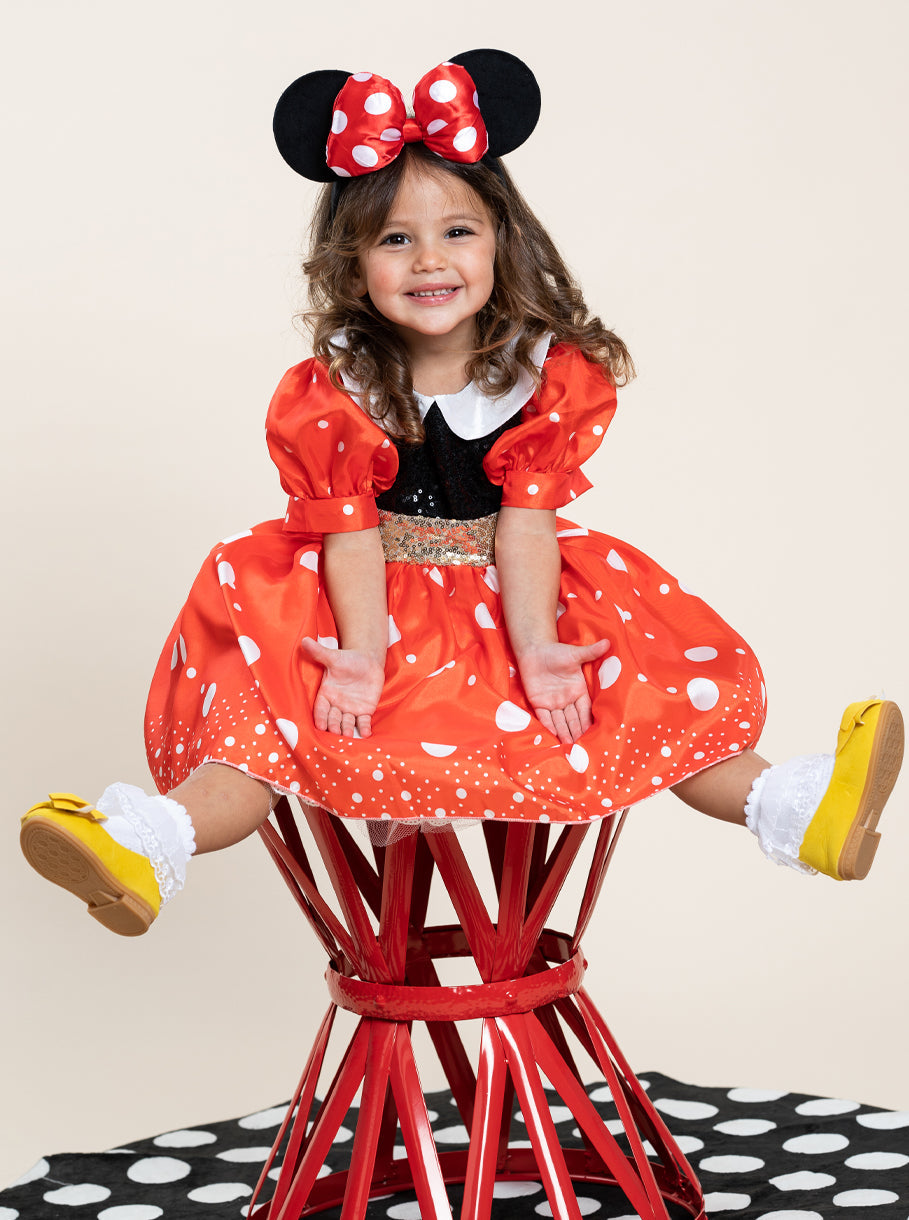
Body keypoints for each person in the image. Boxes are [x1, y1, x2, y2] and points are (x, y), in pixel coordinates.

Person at [20, 50, 903, 937]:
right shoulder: (332, 392)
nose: (429, 260)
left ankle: (794, 808)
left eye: (457, 232)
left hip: (509, 599)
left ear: (501, 242)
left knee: (646, 690)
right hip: (362, 599)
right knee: (259, 724)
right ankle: (146, 843)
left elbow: (526, 528)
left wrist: (539, 646)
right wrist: (360, 655)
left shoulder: (544, 379)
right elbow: (351, 536)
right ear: (352, 266)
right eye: (394, 239)